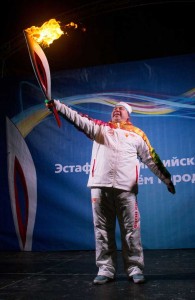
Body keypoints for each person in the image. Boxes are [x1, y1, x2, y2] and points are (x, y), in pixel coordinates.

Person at [46, 99, 176, 285]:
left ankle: (135, 268)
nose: (117, 110)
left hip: (126, 189)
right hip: (100, 187)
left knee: (131, 231)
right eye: (114, 108)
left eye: (121, 108)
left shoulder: (137, 135)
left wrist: (167, 179)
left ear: (128, 114)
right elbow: (77, 118)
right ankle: (105, 269)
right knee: (102, 231)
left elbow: (152, 159)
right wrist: (57, 106)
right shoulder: (100, 128)